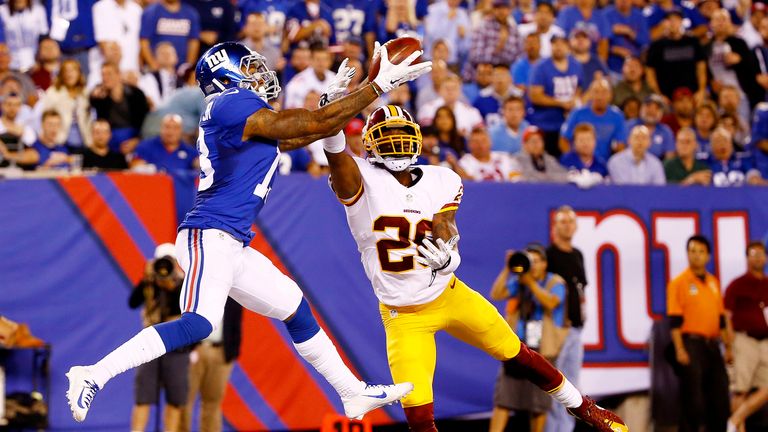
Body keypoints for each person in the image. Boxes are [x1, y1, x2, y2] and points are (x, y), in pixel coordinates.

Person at [66, 40, 432, 423]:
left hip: (231, 241)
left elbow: (305, 132)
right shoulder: (229, 102)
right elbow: (311, 124)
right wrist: (374, 88)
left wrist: (332, 104)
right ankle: (93, 373)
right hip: (209, 233)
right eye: (249, 68)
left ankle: (351, 393)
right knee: (198, 323)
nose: (260, 74)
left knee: (296, 308)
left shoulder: (241, 114)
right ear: (227, 75)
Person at [320, 102, 627, 432]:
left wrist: (449, 258)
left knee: (516, 352)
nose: (396, 142)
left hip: (449, 294)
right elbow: (336, 155)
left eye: (401, 134)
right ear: (370, 143)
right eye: (388, 135)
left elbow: (446, 227)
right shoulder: (361, 177)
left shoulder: (441, 178)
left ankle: (584, 407)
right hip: (403, 316)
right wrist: (330, 120)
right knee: (419, 418)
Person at [489, 245, 567, 432]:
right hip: (519, 348)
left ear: (545, 263)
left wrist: (531, 284)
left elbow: (551, 302)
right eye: (529, 261)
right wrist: (508, 268)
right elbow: (496, 294)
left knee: (539, 404)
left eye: (536, 261)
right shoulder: (520, 281)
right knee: (504, 399)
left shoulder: (555, 282)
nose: (533, 265)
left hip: (544, 349)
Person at [667, 235, 731, 432]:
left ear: (708, 256)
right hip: (691, 344)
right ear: (687, 254)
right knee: (693, 400)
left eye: (701, 251)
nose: (696, 255)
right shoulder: (679, 282)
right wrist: (680, 349)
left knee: (720, 398)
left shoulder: (713, 282)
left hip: (713, 345)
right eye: (692, 251)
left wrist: (728, 347)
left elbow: (721, 319)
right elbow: (674, 321)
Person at [128, 244, 189, 432]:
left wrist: (173, 284)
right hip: (150, 347)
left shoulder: (184, 285)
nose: (164, 268)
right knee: (143, 397)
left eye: (169, 262)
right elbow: (132, 302)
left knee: (175, 399)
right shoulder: (150, 284)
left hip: (176, 348)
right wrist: (147, 279)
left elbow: (184, 309)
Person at [544, 206, 588, 432]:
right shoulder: (549, 255)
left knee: (573, 389)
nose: (567, 226)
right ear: (554, 227)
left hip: (576, 329)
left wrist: (583, 312)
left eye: (571, 221)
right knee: (555, 386)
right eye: (562, 221)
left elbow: (580, 289)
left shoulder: (577, 254)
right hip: (557, 329)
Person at [180, 298, 242, 432]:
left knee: (213, 402)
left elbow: (236, 325)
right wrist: (188, 349)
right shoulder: (198, 293)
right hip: (195, 350)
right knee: (183, 399)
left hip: (221, 353)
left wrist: (231, 354)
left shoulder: (234, 298)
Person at [725, 241, 768, 432]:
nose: (758, 258)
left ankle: (734, 421)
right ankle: (737, 428)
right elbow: (726, 317)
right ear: (747, 258)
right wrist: (729, 345)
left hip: (765, 342)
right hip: (743, 340)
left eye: (761, 254)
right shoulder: (737, 284)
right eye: (754, 254)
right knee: (740, 389)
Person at [131, 114, 199, 223]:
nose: (170, 132)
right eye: (167, 127)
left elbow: (201, 168)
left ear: (181, 131)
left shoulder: (189, 151)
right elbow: (134, 168)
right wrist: (152, 170)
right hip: (152, 198)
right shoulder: (146, 146)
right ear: (161, 128)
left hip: (180, 200)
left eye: (175, 128)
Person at [528, 34, 582, 158]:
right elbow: (535, 96)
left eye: (562, 44)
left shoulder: (576, 65)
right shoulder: (541, 67)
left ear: (568, 46)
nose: (558, 47)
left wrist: (574, 101)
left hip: (570, 123)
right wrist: (561, 103)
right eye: (555, 44)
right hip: (546, 124)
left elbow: (579, 87)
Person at [646, 9, 708, 102]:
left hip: (692, 96)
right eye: (669, 20)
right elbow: (650, 71)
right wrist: (659, 94)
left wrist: (701, 90)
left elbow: (701, 67)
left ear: (681, 22)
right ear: (664, 23)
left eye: (676, 19)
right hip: (667, 98)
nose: (673, 23)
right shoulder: (657, 45)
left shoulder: (693, 42)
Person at [89, 62, 150, 154]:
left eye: (109, 74)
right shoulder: (100, 96)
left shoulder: (136, 94)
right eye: (103, 75)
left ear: (118, 74)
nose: (105, 78)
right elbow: (92, 101)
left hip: (134, 137)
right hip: (110, 139)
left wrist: (137, 140)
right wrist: (94, 96)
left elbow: (146, 121)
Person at [560, 78, 626, 160]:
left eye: (604, 92)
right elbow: (563, 141)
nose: (600, 96)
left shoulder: (617, 116)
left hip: (604, 163)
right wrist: (573, 160)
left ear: (610, 95)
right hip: (578, 162)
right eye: (596, 92)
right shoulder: (577, 113)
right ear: (590, 94)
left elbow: (621, 145)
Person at [39, 59, 92, 152]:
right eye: (66, 71)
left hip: (84, 140)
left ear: (79, 73)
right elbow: (44, 116)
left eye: (73, 70)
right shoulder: (53, 92)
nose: (69, 74)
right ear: (61, 74)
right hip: (61, 140)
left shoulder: (85, 93)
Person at [140, 0, 201, 70]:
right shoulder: (151, 12)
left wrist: (188, 67)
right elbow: (144, 40)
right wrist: (152, 64)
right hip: (159, 68)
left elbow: (193, 41)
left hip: (181, 68)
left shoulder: (190, 13)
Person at [0, 0, 48, 72]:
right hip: (10, 60)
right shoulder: (2, 11)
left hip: (33, 59)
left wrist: (39, 59)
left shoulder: (38, 10)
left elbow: (43, 36)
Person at [625, 95, 675, 160]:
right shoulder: (629, 126)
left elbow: (669, 157)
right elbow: (620, 151)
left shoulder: (665, 131)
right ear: (641, 108)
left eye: (656, 108)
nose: (652, 111)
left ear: (661, 112)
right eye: (648, 106)